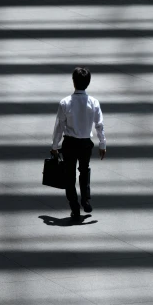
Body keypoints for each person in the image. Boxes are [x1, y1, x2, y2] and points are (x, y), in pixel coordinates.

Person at [51, 67, 106, 220]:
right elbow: (99, 125)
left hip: (69, 143)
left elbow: (59, 126)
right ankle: (86, 199)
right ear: (88, 83)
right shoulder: (94, 102)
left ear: (73, 81)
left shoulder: (65, 102)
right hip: (85, 144)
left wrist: (55, 146)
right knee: (84, 170)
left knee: (69, 175)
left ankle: (74, 206)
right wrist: (102, 144)